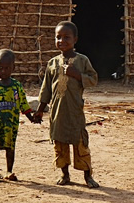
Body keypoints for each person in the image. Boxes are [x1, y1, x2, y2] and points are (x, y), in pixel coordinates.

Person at [34, 21, 100, 188]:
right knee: (59, 145)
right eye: (58, 37)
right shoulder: (53, 63)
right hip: (57, 113)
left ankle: (88, 176)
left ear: (75, 39)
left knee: (81, 145)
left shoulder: (82, 60)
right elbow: (46, 89)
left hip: (75, 112)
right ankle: (64, 174)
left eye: (66, 37)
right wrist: (40, 111)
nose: (61, 41)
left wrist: (77, 75)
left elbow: (93, 79)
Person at [0, 49, 35, 182]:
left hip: (11, 124)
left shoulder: (16, 86)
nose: (3, 71)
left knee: (10, 147)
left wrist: (31, 118)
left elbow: (23, 103)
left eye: (7, 68)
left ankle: (9, 171)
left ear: (13, 68)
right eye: (0, 68)